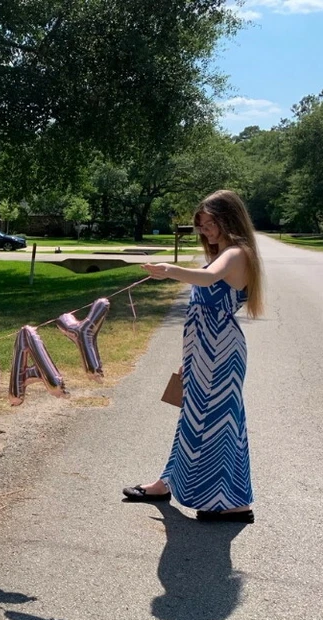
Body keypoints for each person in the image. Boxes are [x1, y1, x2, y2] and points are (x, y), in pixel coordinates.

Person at [123, 190, 265, 523]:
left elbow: (209, 278)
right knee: (194, 418)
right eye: (201, 225)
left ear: (228, 219)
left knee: (218, 424)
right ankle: (166, 483)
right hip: (204, 350)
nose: (205, 230)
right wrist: (189, 357)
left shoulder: (236, 253)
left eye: (210, 223)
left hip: (220, 351)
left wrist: (168, 269)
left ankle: (233, 503)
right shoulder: (224, 253)